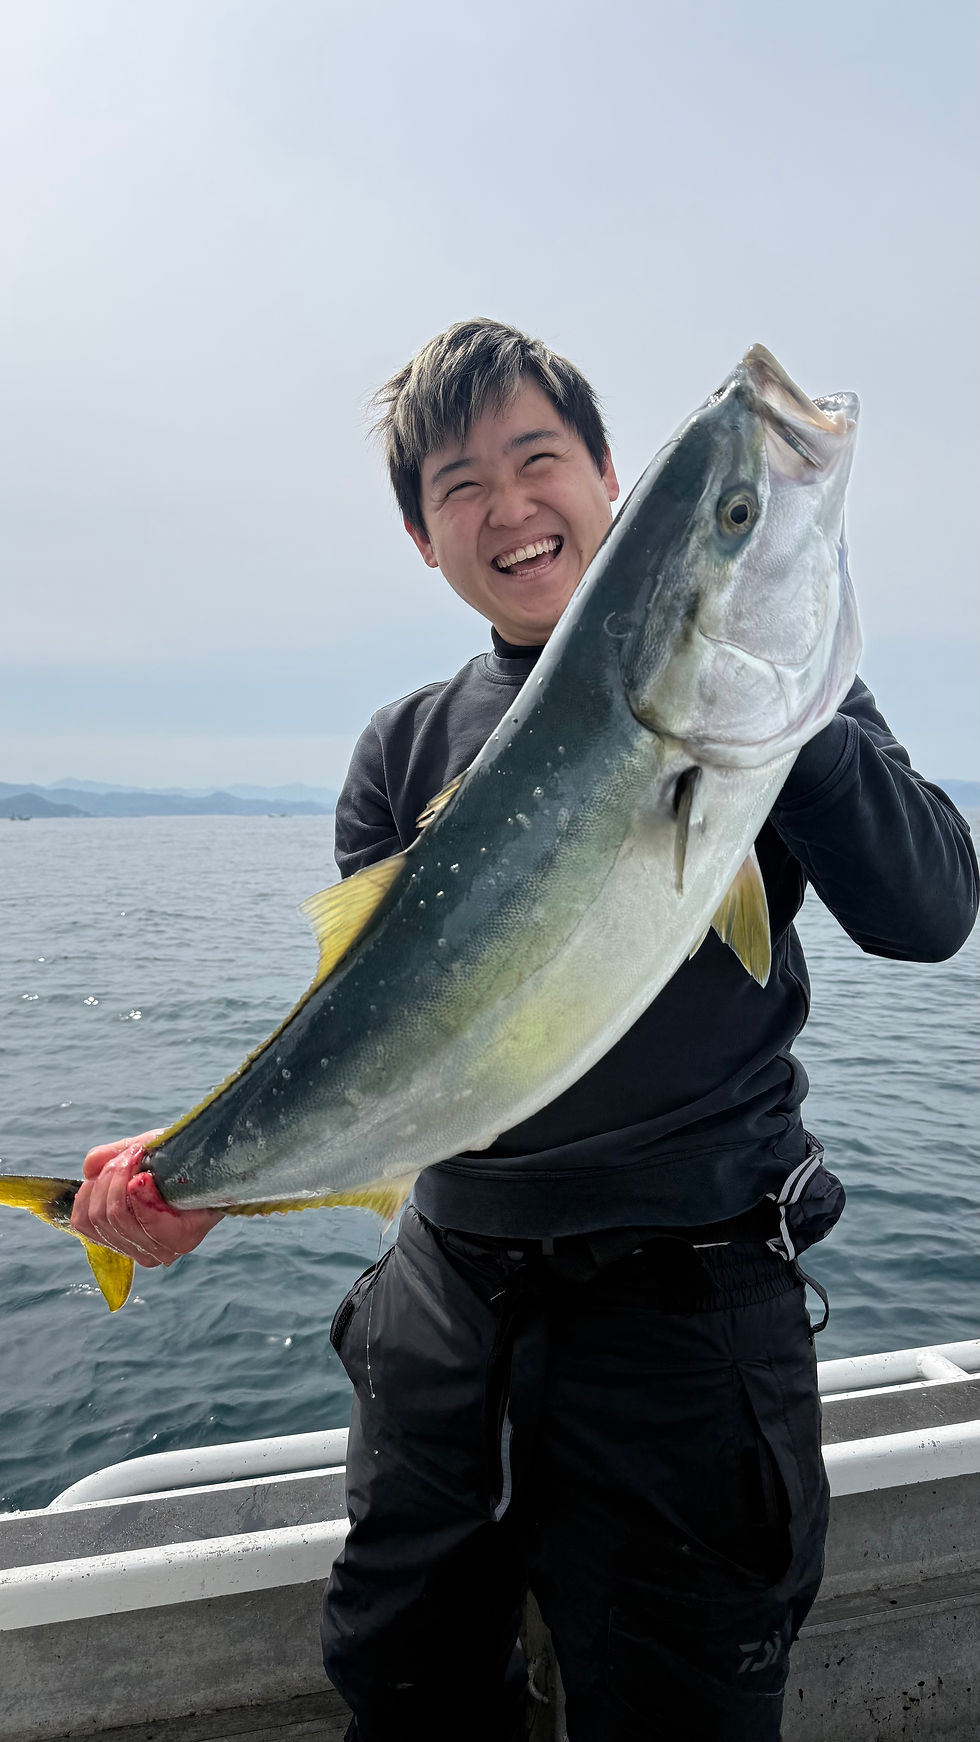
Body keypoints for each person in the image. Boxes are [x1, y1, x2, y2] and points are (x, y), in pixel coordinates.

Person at [73, 320, 979, 1741]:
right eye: (460, 485)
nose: (509, 506)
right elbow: (371, 1043)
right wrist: (195, 1173)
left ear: (610, 477)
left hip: (688, 1321)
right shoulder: (404, 750)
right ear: (423, 537)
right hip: (446, 1314)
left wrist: (768, 707)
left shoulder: (791, 701)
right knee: (411, 1688)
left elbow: (929, 912)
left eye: (537, 458)